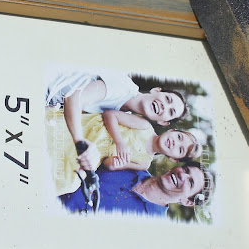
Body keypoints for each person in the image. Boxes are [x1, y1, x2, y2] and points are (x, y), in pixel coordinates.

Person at [45, 70, 189, 170]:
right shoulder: (124, 87)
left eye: (171, 111)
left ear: (163, 122)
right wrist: (79, 141)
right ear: (156, 90)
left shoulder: (125, 113)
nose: (164, 106)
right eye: (168, 99)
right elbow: (73, 96)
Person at [45, 109, 204, 195]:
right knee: (57, 138)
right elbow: (110, 115)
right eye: (179, 137)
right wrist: (119, 141)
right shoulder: (145, 127)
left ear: (175, 159)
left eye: (180, 149)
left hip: (96, 155)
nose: (175, 142)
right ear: (172, 130)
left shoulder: (144, 163)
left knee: (70, 183)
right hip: (93, 130)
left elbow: (107, 164)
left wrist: (115, 163)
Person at [59, 162, 213, 217]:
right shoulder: (132, 164)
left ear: (187, 201)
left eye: (190, 182)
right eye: (185, 169)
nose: (182, 175)